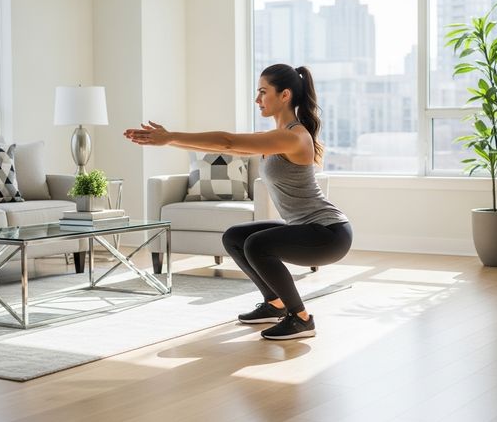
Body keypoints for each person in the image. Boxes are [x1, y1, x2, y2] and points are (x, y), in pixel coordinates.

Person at [124, 63, 352, 340]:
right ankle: (275, 304)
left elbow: (228, 142)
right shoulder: (276, 138)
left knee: (257, 244)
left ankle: (301, 318)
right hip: (312, 229)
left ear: (285, 95)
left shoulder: (293, 136)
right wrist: (168, 141)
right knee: (235, 237)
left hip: (328, 234)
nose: (257, 100)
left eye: (262, 92)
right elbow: (228, 146)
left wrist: (170, 137)